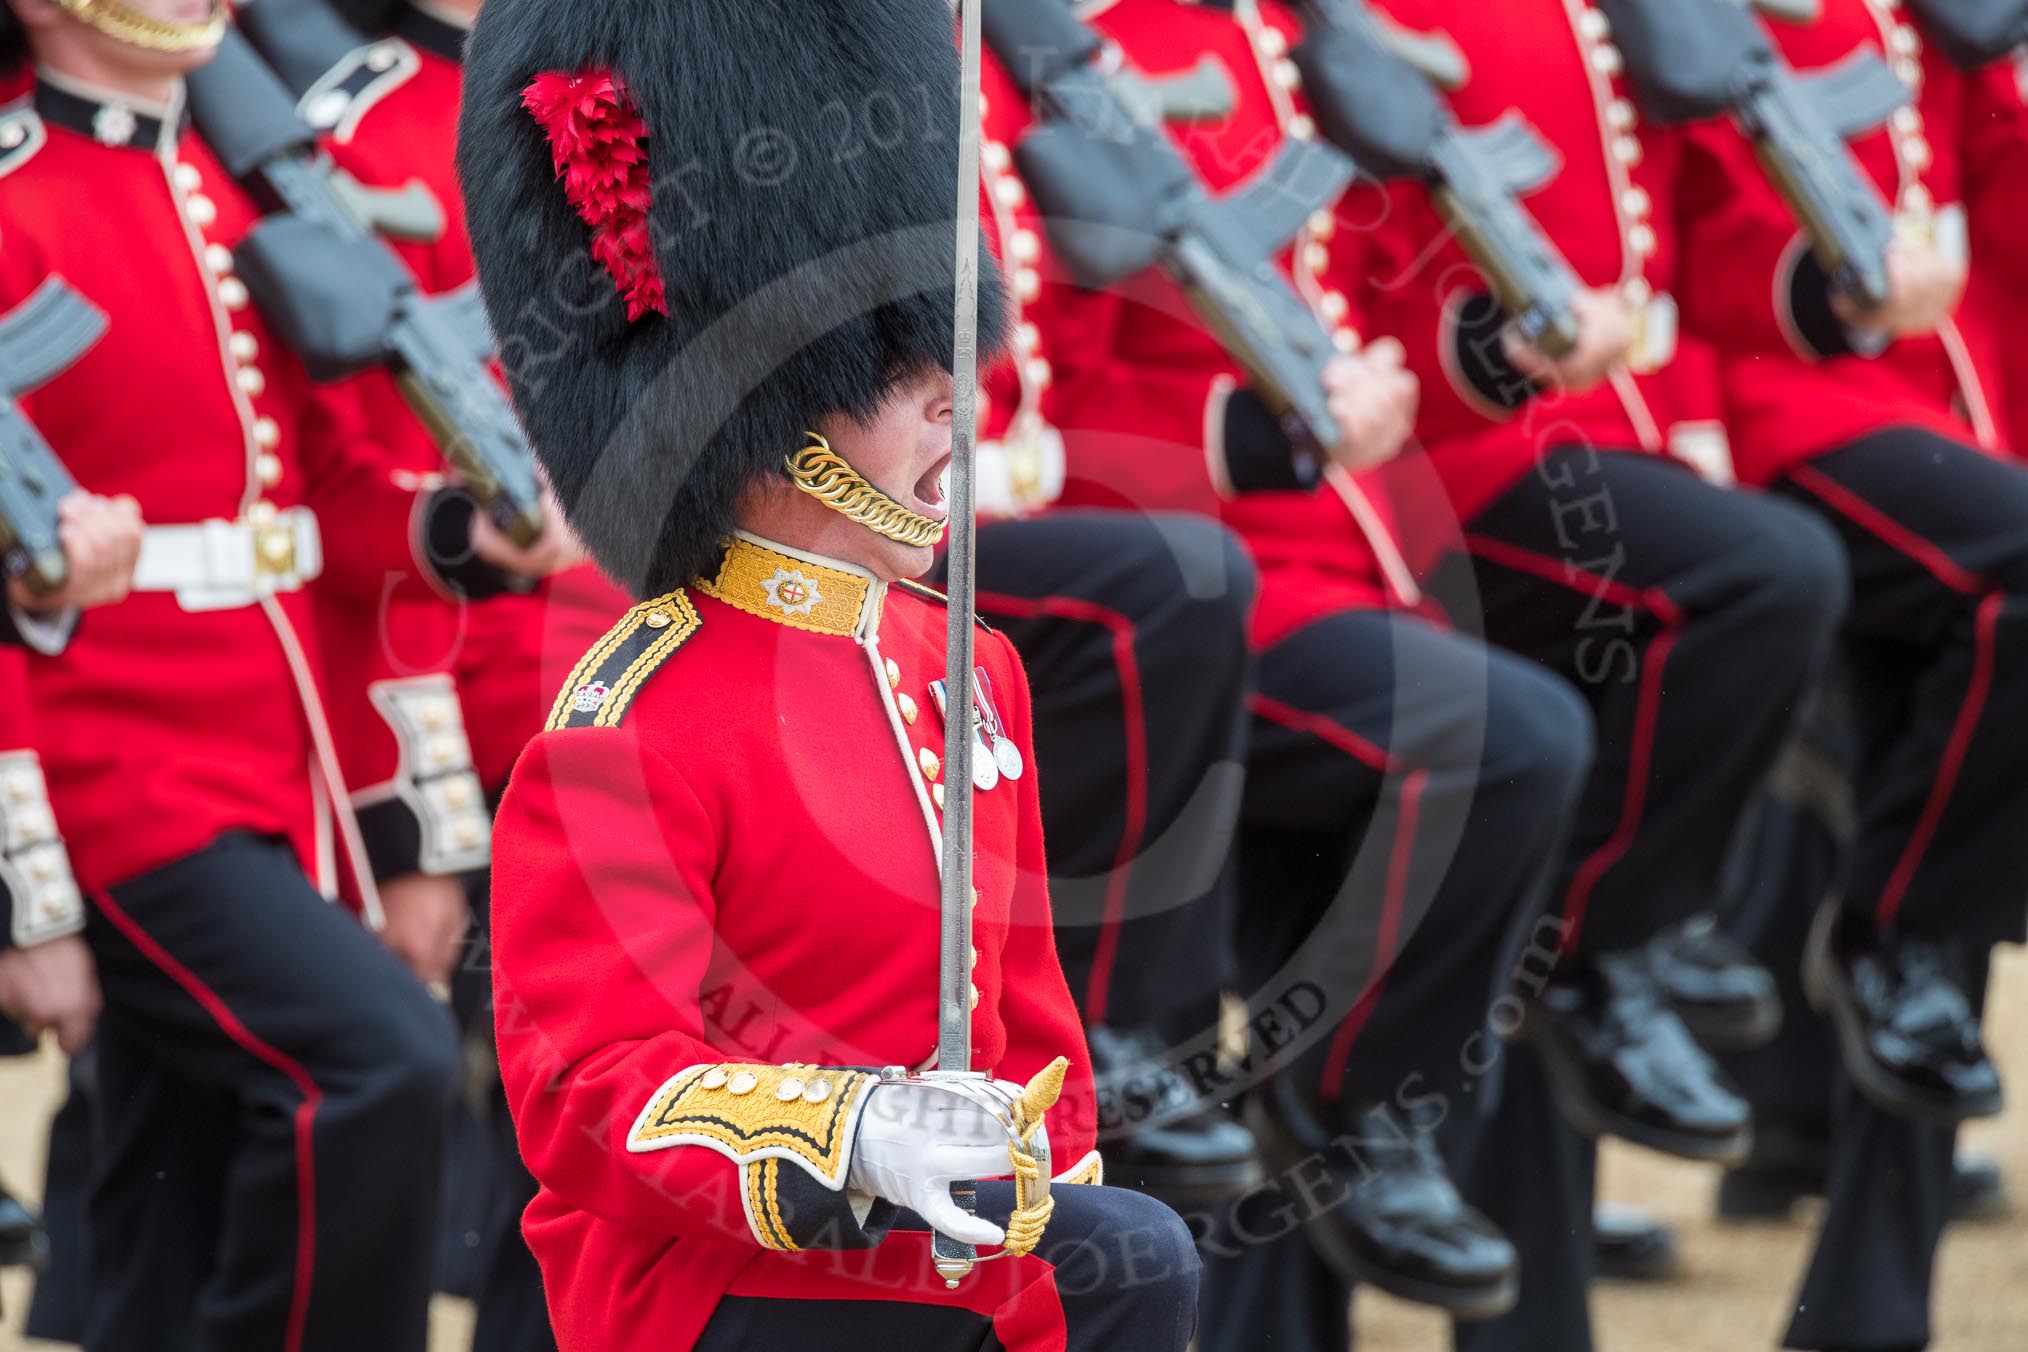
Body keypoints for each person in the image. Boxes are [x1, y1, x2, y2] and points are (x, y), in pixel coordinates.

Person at [460, 1, 1200, 1348]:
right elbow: (585, 1085)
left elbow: (1029, 1019)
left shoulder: (963, 661)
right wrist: (849, 1134)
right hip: (724, 1277)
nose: (955, 401)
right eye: (904, 371)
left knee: (1129, 1260)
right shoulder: (632, 721)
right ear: (777, 402)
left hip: (935, 1250)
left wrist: (1040, 1185)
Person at [1009, 0, 1594, 1330]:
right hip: (1194, 586)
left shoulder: (1275, 32)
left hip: (1346, 560)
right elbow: (1063, 394)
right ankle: (1354, 1113)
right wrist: (1255, 441)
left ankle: (1370, 1107)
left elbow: (1354, 297)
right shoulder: (1083, 45)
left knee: (1492, 777)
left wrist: (1457, 360)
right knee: (1504, 743)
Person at [0, 0, 562, 1344]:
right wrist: (26, 895)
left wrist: (458, 534)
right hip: (113, 783)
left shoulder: (229, 181)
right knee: (374, 1062)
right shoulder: (18, 194)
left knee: (169, 1181)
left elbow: (317, 511)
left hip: (279, 762)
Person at [1680, 3, 2028, 1347]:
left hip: (1947, 433)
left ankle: (1870, 1301)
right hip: (1784, 427)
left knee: (1936, 863)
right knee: (1914, 886)